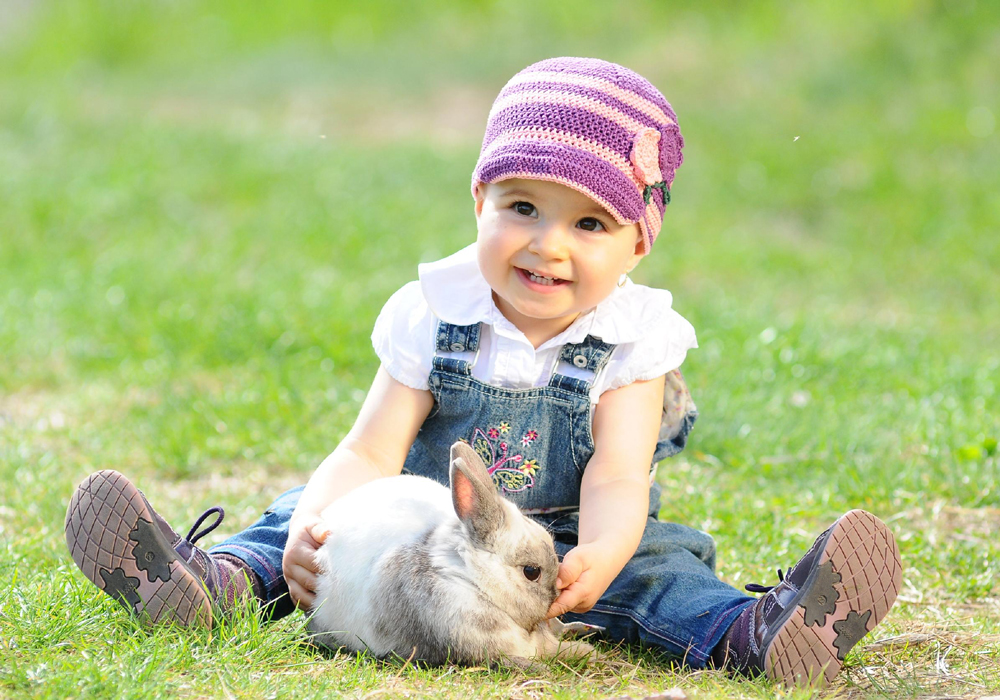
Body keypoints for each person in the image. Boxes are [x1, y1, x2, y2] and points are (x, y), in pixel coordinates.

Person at [64, 57, 901, 686]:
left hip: (563, 548)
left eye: (589, 222)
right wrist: (319, 526)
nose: (548, 242)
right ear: (479, 201)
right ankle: (215, 583)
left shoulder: (632, 340)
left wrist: (601, 556)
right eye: (522, 207)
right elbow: (368, 453)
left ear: (639, 242)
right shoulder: (438, 312)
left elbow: (619, 476)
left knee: (659, 570)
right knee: (296, 523)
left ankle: (758, 635)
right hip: (424, 539)